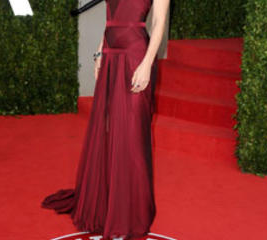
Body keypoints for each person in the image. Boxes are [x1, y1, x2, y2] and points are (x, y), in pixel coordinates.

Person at [41, 0, 170, 239]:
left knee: (132, 134)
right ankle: (108, 204)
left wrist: (147, 63)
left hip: (135, 56)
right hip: (110, 56)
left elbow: (159, 22)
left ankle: (131, 213)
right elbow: (110, 19)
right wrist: (100, 51)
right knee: (111, 132)